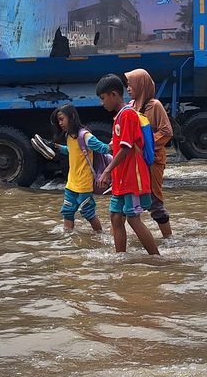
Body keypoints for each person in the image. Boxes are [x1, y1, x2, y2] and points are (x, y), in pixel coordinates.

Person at [94, 74, 160, 256]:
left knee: (133, 218)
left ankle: (156, 257)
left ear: (114, 94)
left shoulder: (128, 115)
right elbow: (117, 146)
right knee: (115, 216)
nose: (102, 103)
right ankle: (120, 257)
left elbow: (125, 147)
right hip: (121, 178)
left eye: (103, 98)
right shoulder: (120, 117)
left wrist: (107, 171)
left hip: (132, 177)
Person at [124, 68, 173, 238]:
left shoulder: (155, 106)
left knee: (155, 202)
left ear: (141, 85)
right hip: (134, 162)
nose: (128, 89)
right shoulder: (129, 107)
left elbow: (166, 132)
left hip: (153, 161)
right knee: (127, 200)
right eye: (127, 86)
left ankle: (168, 238)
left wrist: (146, 143)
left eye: (131, 85)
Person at [51, 104, 106, 233]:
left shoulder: (85, 136)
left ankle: (100, 235)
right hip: (71, 183)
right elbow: (72, 151)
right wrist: (59, 148)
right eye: (58, 120)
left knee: (88, 212)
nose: (60, 123)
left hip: (84, 183)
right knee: (67, 212)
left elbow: (103, 148)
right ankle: (68, 239)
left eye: (62, 119)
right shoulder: (69, 136)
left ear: (72, 117)